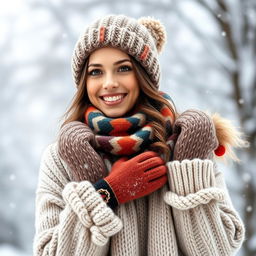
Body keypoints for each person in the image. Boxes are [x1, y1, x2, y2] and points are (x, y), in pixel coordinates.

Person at [33, 14, 246, 256]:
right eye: (96, 72)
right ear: (84, 81)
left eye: (124, 68)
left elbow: (217, 250)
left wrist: (187, 167)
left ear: (144, 75)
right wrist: (106, 192)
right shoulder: (61, 156)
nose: (110, 82)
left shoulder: (185, 144)